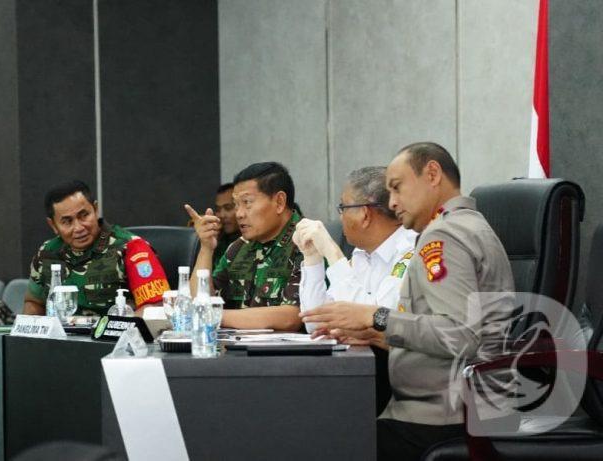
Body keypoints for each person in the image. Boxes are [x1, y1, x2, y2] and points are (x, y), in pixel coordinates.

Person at [300, 142, 514, 460]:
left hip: (444, 414)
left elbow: (458, 335)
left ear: (432, 174)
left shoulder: (444, 236)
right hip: (447, 406)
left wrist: (376, 318)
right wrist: (373, 333)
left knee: (318, 441)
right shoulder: (464, 226)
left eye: (397, 188)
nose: (393, 203)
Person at [294, 166, 417, 335]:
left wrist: (333, 253)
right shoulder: (361, 253)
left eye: (343, 208)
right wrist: (312, 257)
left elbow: (377, 321)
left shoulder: (411, 251)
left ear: (365, 215)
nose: (341, 217)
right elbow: (315, 323)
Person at [186, 162, 303, 331]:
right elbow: (197, 300)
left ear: (279, 202)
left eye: (247, 202)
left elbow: (291, 317)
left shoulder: (306, 241)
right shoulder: (239, 248)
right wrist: (206, 248)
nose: (239, 214)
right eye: (236, 204)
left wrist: (212, 315)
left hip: (290, 356)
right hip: (237, 352)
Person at [24, 180, 169, 316]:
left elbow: (156, 307)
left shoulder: (132, 248)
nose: (79, 227)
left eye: (84, 215)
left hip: (115, 340)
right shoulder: (47, 253)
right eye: (67, 222)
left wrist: (114, 330)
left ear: (96, 209)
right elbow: (33, 303)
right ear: (53, 225)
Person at [213, 183, 241, 267]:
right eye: (218, 209)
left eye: (228, 208)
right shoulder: (217, 239)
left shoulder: (252, 241)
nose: (222, 215)